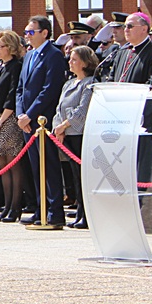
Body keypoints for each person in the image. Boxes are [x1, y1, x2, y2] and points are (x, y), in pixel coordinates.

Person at [15, 15, 68, 226]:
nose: (27, 36)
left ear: (44, 33)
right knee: (36, 167)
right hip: (26, 121)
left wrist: (31, 114)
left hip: (42, 121)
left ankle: (55, 212)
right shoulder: (28, 56)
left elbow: (50, 90)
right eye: (26, 32)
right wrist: (21, 114)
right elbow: (21, 88)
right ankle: (41, 208)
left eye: (31, 32)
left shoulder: (53, 55)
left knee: (49, 167)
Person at [53, 45, 97, 229]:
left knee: (83, 176)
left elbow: (82, 110)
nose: (70, 62)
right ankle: (79, 212)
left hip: (79, 134)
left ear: (85, 62)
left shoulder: (90, 83)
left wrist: (65, 125)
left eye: (74, 59)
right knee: (73, 176)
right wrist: (58, 128)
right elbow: (59, 107)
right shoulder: (68, 83)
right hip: (66, 135)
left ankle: (86, 215)